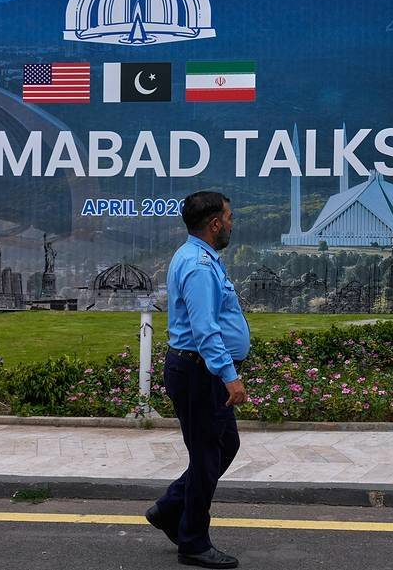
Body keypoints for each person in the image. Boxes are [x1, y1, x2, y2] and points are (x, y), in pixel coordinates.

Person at [146, 190, 249, 569]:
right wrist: (229, 376)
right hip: (200, 371)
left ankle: (169, 508)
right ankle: (193, 541)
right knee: (207, 456)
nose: (232, 224)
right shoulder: (200, 267)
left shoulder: (196, 256)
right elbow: (205, 330)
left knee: (225, 445)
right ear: (215, 224)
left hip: (200, 370)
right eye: (229, 217)